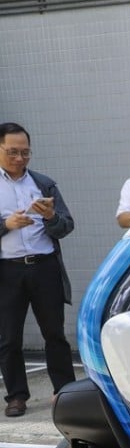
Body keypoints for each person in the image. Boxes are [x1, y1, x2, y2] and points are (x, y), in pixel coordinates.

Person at [0, 123, 76, 418]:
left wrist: (51, 217)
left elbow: (67, 225)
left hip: (44, 267)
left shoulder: (43, 183)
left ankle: (65, 390)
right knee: (8, 338)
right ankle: (17, 396)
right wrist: (6, 225)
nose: (20, 158)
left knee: (54, 333)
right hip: (8, 271)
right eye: (13, 152)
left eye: (25, 152)